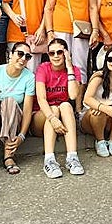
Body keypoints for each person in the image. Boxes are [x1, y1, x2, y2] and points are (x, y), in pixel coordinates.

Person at [0, 44, 36, 175]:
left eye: (27, 56)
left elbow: (27, 110)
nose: (23, 59)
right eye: (20, 54)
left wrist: (22, 135)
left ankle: (8, 155)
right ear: (11, 54)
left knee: (9, 101)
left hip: (14, 117)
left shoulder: (29, 77)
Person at [33, 40, 85, 178]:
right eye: (52, 53)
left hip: (62, 117)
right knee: (54, 109)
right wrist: (52, 118)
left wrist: (69, 67)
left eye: (60, 52)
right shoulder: (43, 68)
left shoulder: (74, 70)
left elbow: (73, 95)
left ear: (66, 53)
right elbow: (41, 99)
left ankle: (72, 157)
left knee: (66, 105)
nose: (56, 56)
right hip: (42, 115)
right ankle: (49, 160)